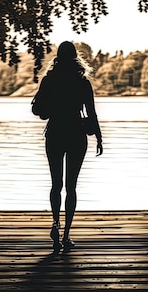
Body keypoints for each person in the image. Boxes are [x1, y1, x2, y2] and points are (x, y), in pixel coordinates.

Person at [33, 41, 103, 253]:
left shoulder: (49, 80)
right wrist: (99, 137)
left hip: (54, 132)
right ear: (75, 58)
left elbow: (38, 109)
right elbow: (91, 112)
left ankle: (55, 223)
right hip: (75, 134)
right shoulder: (82, 82)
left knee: (56, 184)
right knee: (71, 187)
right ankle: (66, 235)